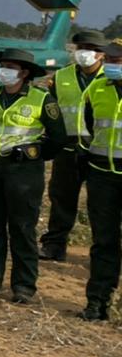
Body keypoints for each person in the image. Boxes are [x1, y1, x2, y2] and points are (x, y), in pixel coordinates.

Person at [0, 49, 66, 303]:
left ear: (23, 73)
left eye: (10, 66)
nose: (4, 71)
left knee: (22, 227)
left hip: (23, 171)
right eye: (2, 66)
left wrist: (34, 154)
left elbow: (57, 138)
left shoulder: (42, 99)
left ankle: (23, 287)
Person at [40, 28, 107, 262]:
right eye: (81, 48)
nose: (84, 53)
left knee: (102, 205)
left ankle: (104, 252)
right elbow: (52, 111)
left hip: (100, 151)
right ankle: (54, 245)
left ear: (101, 54)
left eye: (90, 49)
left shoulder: (112, 78)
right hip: (68, 148)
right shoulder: (60, 77)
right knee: (61, 198)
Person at [78, 41, 122, 320]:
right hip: (102, 175)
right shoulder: (97, 88)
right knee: (103, 241)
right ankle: (97, 303)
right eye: (110, 59)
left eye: (118, 59)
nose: (112, 64)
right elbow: (87, 127)